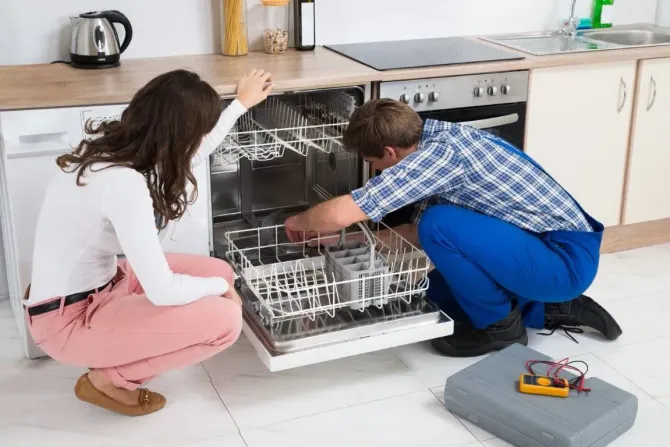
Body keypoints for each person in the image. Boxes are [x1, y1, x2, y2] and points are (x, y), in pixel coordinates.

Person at [284, 98, 622, 358]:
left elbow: (346, 211)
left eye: (373, 163)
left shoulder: (439, 158)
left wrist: (298, 223)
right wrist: (348, 240)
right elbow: (415, 236)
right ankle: (547, 307)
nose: (375, 172)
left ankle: (499, 330)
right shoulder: (439, 140)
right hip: (548, 251)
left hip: (562, 261)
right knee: (436, 291)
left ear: (389, 151)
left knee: (439, 224)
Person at [24, 69, 273, 416]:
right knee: (226, 321)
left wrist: (240, 104)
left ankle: (121, 345)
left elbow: (198, 152)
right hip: (68, 320)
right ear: (178, 136)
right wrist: (217, 288)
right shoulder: (123, 183)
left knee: (223, 272)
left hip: (103, 283)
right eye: (195, 133)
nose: (198, 140)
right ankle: (110, 380)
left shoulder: (118, 149)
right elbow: (163, 291)